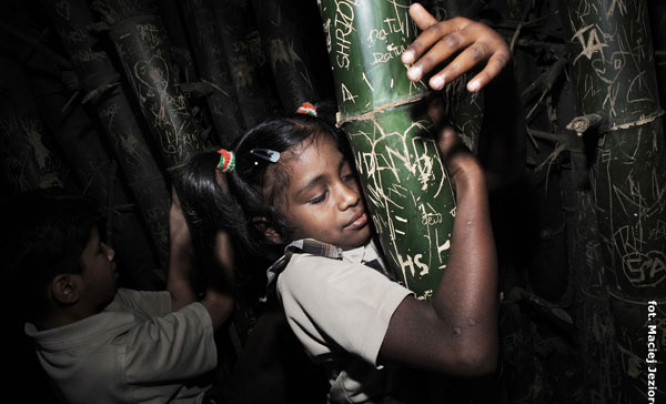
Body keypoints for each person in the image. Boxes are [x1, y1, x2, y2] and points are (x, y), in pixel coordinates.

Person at [183, 3, 507, 403]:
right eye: (319, 196)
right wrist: (466, 177)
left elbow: (503, 183)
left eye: (350, 174)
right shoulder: (306, 277)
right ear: (271, 228)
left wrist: (494, 77)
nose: (351, 197)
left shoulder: (370, 215)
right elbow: (468, 350)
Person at [1, 187, 234, 404]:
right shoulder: (121, 360)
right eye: (99, 251)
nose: (111, 253)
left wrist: (178, 218)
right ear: (67, 288)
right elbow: (219, 303)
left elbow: (177, 304)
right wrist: (221, 214)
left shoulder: (68, 318)